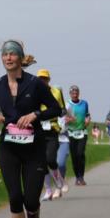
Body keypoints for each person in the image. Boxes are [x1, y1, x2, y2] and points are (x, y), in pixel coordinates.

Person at [0, 40, 62, 218]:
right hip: (8, 147)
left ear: (20, 58)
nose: (8, 58)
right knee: (15, 197)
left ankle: (33, 217)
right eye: (4, 54)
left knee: (31, 200)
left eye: (12, 54)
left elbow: (57, 109)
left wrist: (36, 114)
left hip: (34, 147)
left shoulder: (35, 84)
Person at [36, 69, 67, 200]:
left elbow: (63, 109)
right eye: (40, 79)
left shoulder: (56, 91)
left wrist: (62, 120)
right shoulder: (33, 93)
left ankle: (59, 181)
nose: (42, 81)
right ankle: (48, 190)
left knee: (50, 159)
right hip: (39, 129)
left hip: (53, 128)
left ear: (48, 80)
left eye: (45, 78)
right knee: (41, 163)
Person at [66, 85, 91, 185]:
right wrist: (68, 119)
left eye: (76, 93)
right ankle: (77, 177)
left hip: (82, 132)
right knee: (74, 156)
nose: (75, 95)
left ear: (78, 93)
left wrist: (88, 119)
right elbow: (62, 118)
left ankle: (81, 177)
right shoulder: (67, 104)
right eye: (73, 93)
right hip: (71, 133)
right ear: (70, 94)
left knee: (80, 154)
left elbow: (87, 114)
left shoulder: (84, 103)